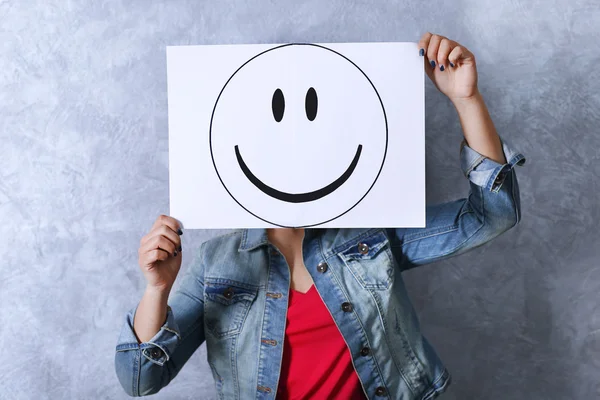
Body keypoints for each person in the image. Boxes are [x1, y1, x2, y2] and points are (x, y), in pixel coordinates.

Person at [114, 32, 526, 399]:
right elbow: (140, 380)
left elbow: (490, 217)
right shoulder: (216, 265)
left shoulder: (371, 234)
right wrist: (156, 290)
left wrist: (466, 99)